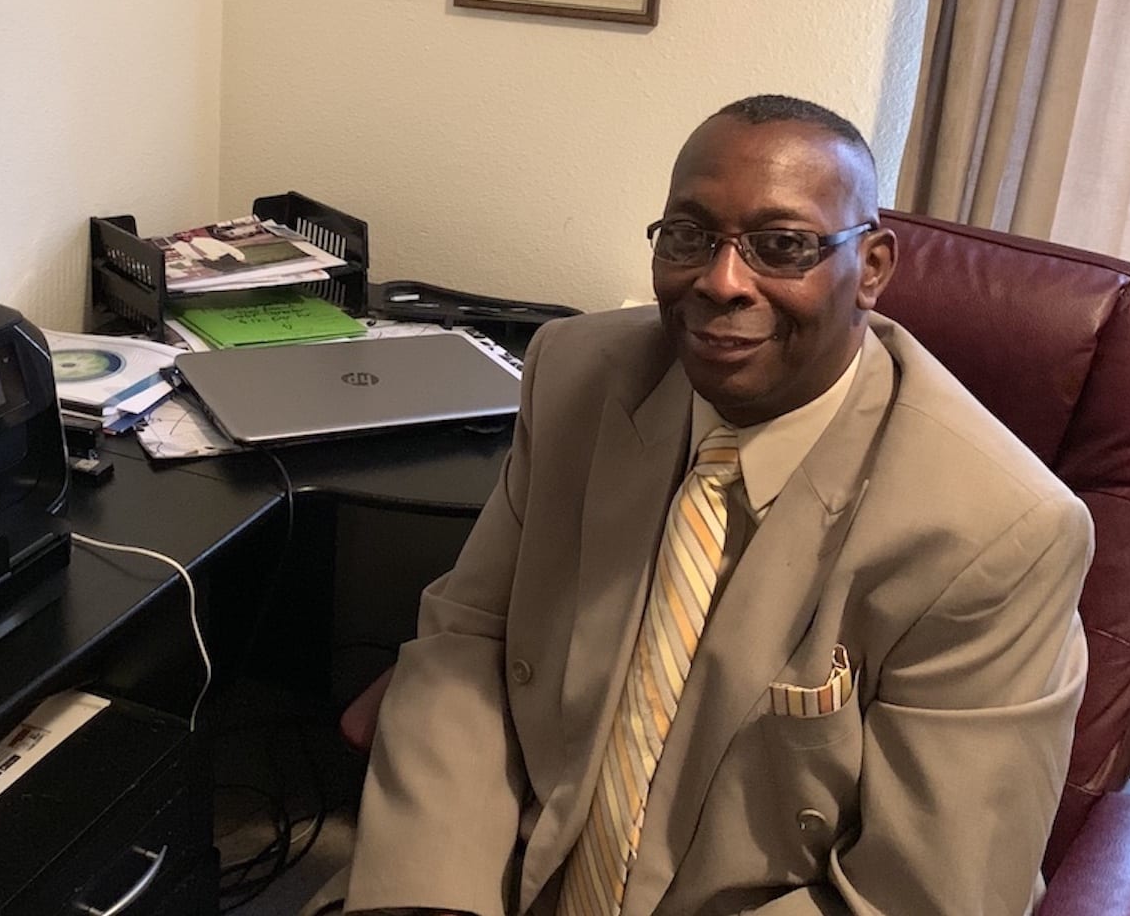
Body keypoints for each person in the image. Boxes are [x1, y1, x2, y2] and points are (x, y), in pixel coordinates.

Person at [343, 95, 1092, 916]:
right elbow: (470, 641)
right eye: (690, 236)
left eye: (783, 247)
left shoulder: (998, 530)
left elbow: (924, 895)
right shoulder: (577, 376)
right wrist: (436, 899)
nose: (721, 281)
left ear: (871, 268)